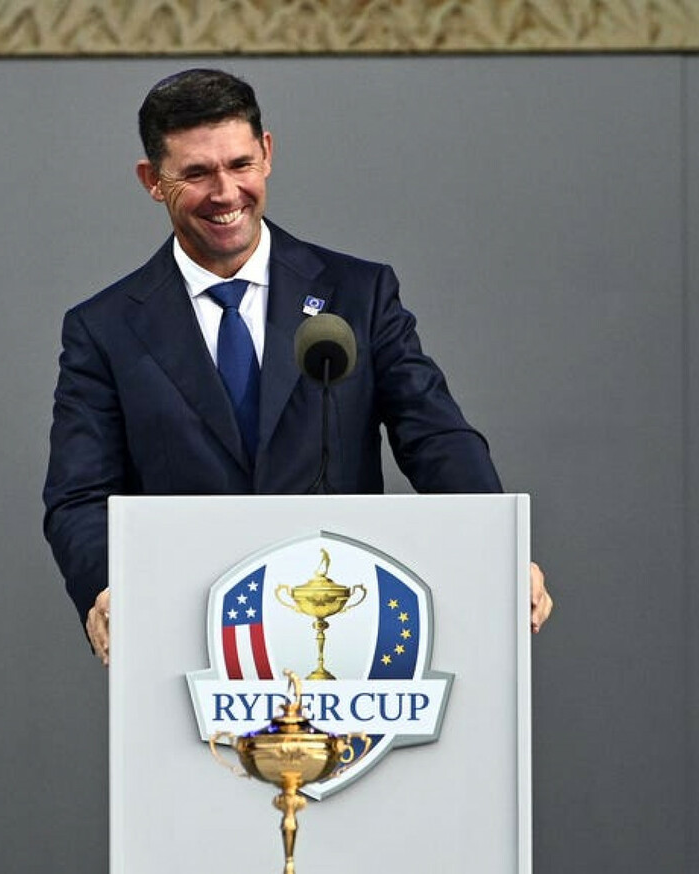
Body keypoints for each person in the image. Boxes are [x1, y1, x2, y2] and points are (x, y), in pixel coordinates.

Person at [42, 69, 552, 664]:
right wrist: (105, 587)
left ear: (267, 153)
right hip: (189, 640)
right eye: (197, 173)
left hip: (345, 629)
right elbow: (80, 495)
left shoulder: (358, 295)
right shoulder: (104, 329)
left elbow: (434, 435)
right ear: (153, 180)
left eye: (240, 164)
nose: (226, 193)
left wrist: (496, 548)